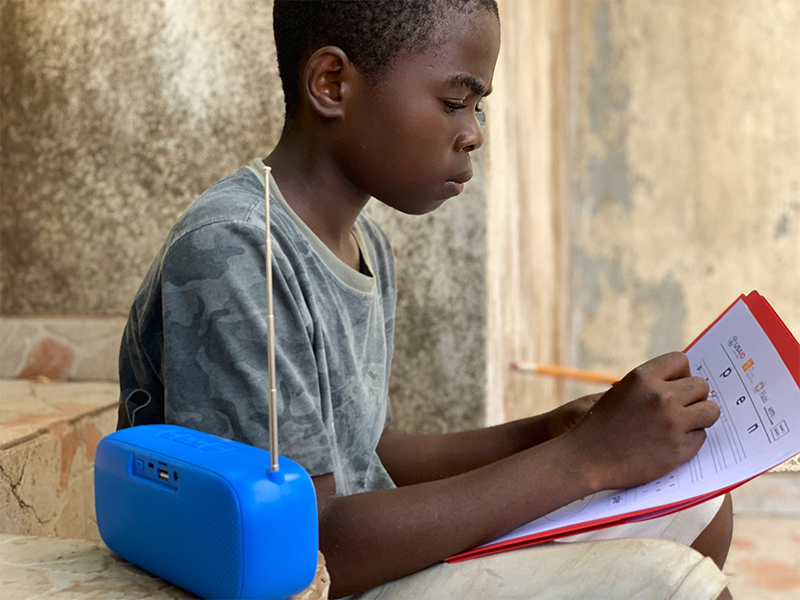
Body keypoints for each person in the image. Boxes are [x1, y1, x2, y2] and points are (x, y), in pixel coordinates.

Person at [117, 1, 734, 598]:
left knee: (701, 506)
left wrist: (543, 433)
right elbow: (305, 542)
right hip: (303, 581)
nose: (473, 135)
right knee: (677, 585)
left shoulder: (367, 247)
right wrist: (584, 460)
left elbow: (369, 451)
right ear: (332, 83)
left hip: (355, 555)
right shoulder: (239, 248)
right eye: (453, 102)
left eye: (478, 108)